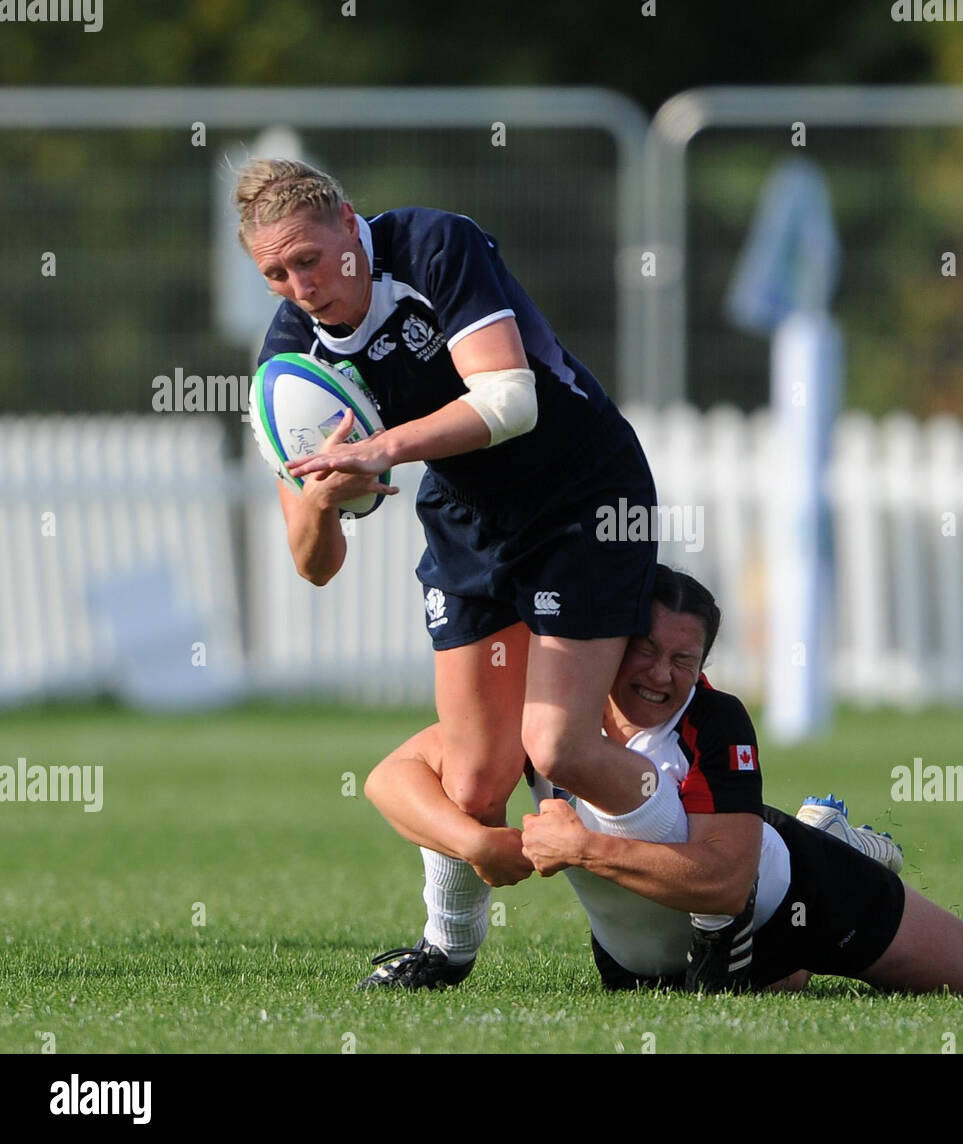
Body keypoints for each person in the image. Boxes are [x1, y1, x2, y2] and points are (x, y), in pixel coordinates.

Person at [362, 566, 963, 994]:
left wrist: (582, 844)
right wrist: (478, 841)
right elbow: (393, 777)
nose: (663, 675)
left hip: (781, 898)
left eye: (685, 658)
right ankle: (821, 828)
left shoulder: (715, 722)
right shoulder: (553, 711)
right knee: (756, 1000)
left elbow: (727, 877)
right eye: (647, 652)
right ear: (606, 644)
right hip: (658, 956)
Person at [234, 158, 662, 986]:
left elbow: (511, 400)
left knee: (561, 746)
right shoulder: (291, 360)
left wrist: (381, 447)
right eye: (275, 274)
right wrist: (320, 502)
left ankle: (708, 906)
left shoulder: (432, 244)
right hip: (472, 521)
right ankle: (448, 952)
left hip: (583, 496)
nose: (299, 285)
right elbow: (313, 566)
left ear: (349, 223)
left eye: (310, 260)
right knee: (472, 779)